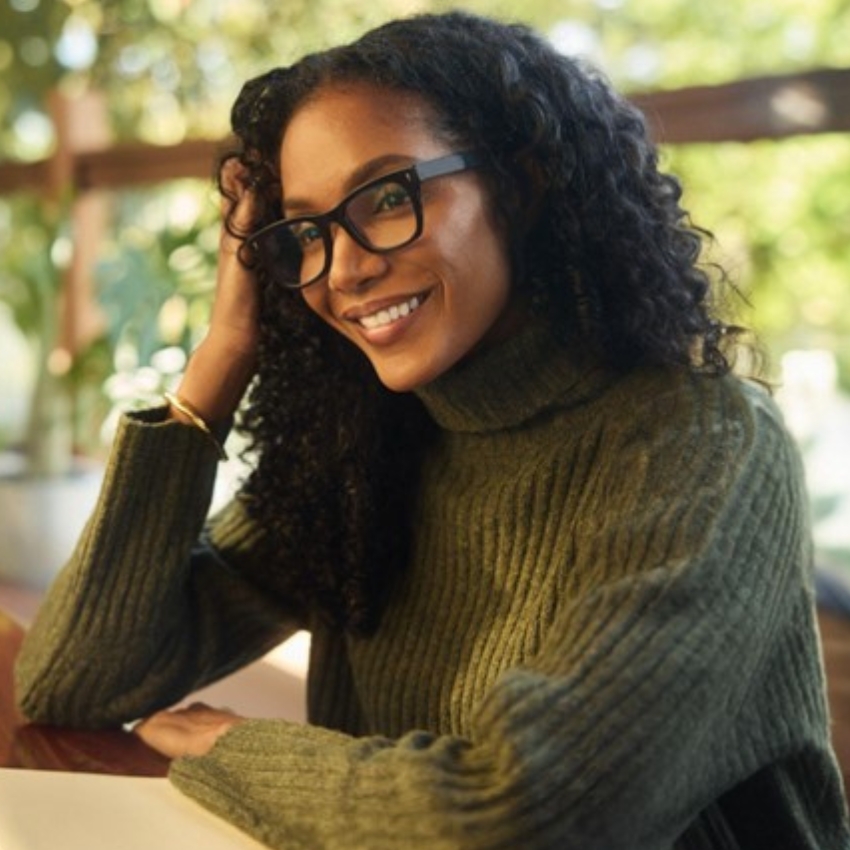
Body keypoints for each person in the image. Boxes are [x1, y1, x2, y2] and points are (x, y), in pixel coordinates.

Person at [14, 10, 850, 849]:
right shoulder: (365, 446)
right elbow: (71, 680)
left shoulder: (701, 445)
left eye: (387, 195)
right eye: (305, 233)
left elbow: (524, 817)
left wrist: (238, 747)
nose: (342, 268)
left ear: (520, 186)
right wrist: (223, 357)